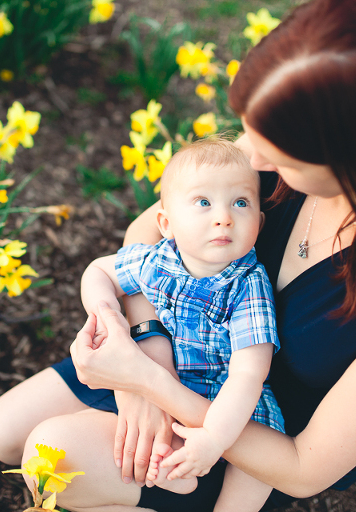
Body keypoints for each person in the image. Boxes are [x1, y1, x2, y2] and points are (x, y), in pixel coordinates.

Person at [0, 0, 356, 510]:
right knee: (3, 431)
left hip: (249, 441)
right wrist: (145, 346)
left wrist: (153, 387)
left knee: (52, 458)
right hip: (175, 343)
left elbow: (304, 468)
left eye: (282, 158)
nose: (255, 158)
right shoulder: (288, 126)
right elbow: (148, 232)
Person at [80, 137, 282, 511]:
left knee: (255, 473)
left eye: (241, 202)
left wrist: (216, 439)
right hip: (173, 388)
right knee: (155, 450)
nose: (223, 217)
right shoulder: (158, 260)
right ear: (166, 224)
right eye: (203, 202)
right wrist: (109, 318)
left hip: (230, 404)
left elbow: (248, 377)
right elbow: (98, 271)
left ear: (260, 222)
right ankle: (175, 475)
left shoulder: (247, 284)